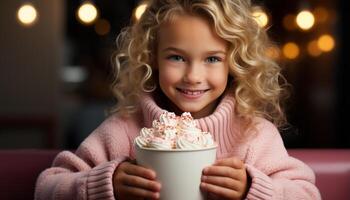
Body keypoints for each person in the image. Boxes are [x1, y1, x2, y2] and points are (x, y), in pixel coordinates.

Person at [35, 0, 321, 199]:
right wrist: (105, 184)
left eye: (212, 58)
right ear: (152, 58)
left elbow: (307, 194)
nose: (193, 76)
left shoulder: (254, 136)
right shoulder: (122, 130)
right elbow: (48, 186)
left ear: (233, 63)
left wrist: (252, 188)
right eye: (176, 57)